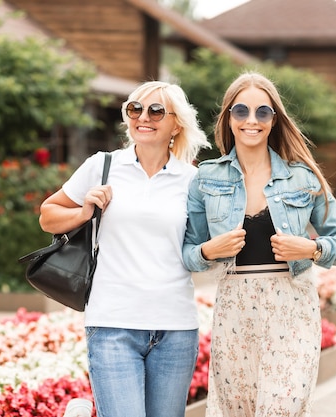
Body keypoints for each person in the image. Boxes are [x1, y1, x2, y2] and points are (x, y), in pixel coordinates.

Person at [182, 71, 336, 417]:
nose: (252, 120)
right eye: (241, 112)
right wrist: (209, 251)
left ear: (274, 120)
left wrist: (311, 249)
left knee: (282, 407)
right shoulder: (206, 178)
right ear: (228, 118)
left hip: (292, 309)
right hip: (235, 310)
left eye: (262, 112)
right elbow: (188, 252)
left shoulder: (302, 177)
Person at [39, 80, 211, 417]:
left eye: (156, 110)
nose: (143, 117)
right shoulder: (102, 166)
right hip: (113, 323)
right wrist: (84, 211)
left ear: (177, 124)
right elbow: (48, 215)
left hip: (175, 327)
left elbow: (200, 247)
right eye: (135, 109)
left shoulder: (193, 181)